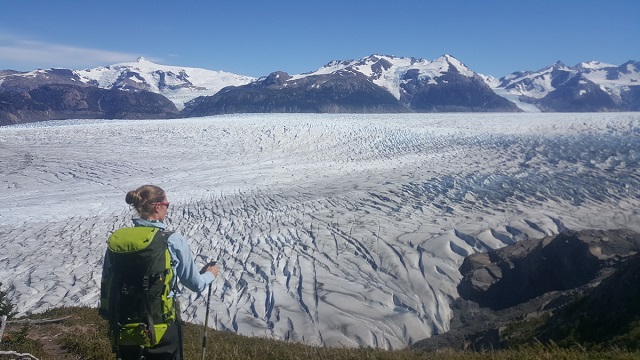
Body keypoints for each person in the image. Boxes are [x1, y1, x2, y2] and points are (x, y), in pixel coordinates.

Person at [100, 185, 219, 360]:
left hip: (123, 325)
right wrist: (210, 274)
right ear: (157, 207)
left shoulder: (118, 241)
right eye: (167, 204)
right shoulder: (171, 240)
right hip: (161, 327)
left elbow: (107, 279)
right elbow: (194, 283)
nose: (167, 208)